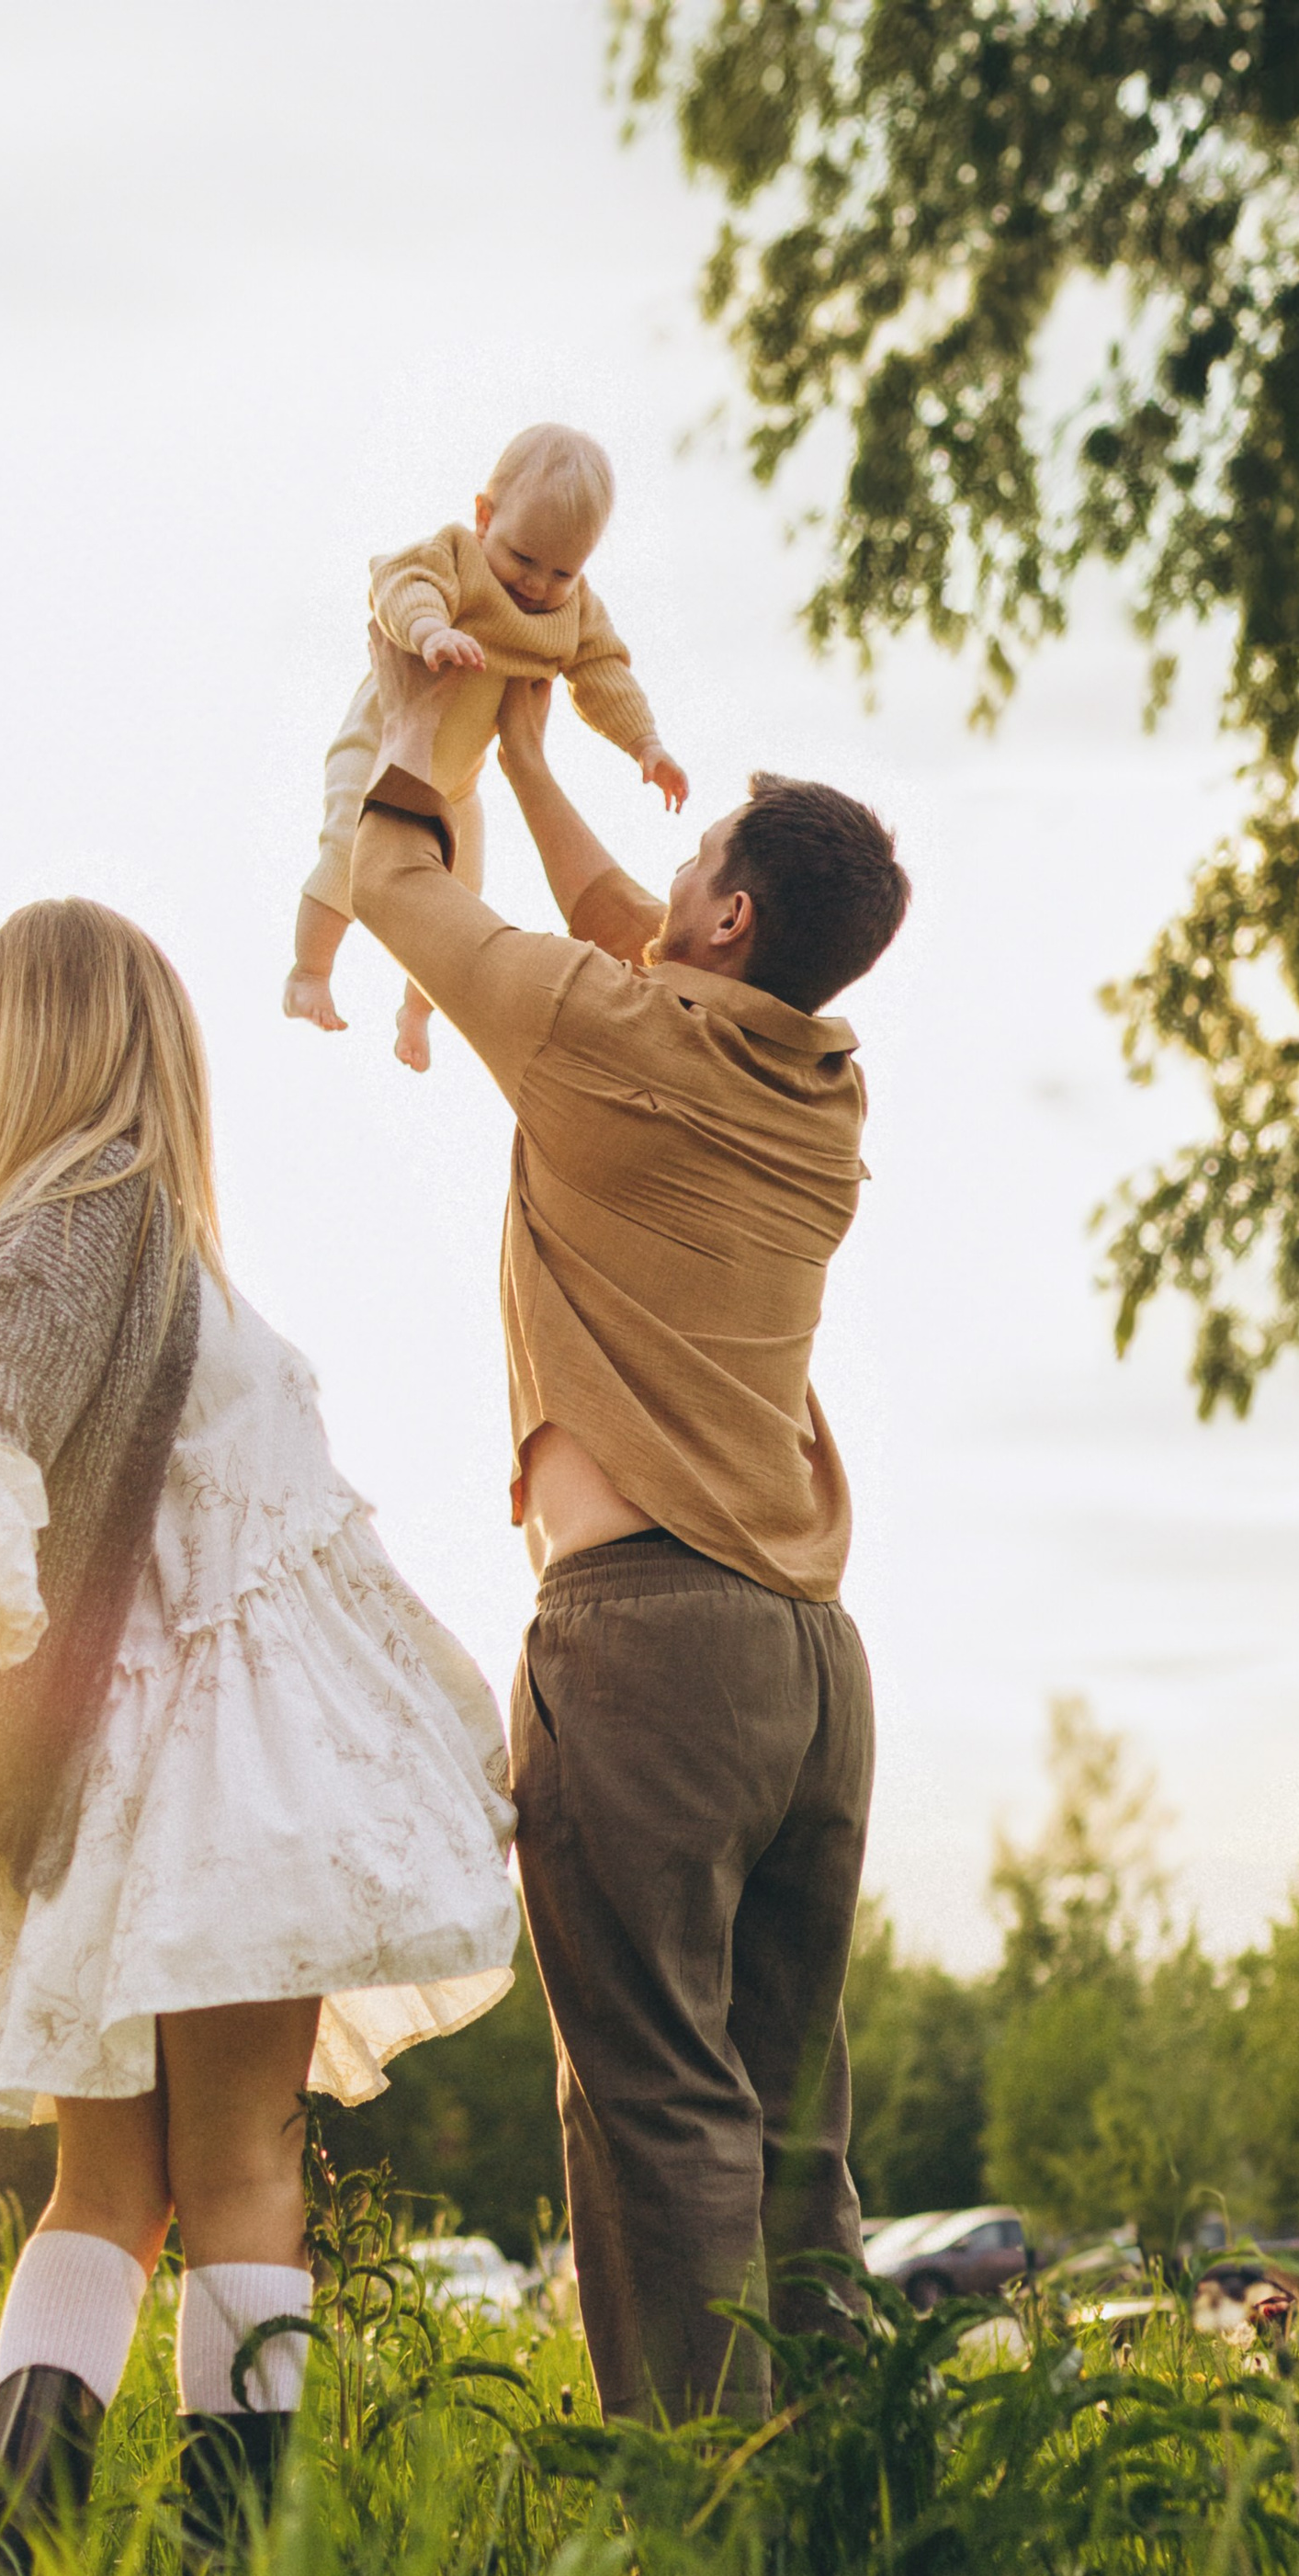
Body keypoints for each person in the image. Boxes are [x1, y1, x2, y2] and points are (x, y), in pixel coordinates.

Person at [0, 898, 517, 2576]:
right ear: (145, 1051)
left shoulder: (103, 1239)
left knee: (113, 2195)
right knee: (243, 2174)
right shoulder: (105, 1219)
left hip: (137, 1793)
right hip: (230, 1795)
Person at [351, 644, 910, 2426]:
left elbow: (384, 880)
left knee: (657, 2116)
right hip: (812, 1669)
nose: (653, 893)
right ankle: (856, 2528)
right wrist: (528, 756)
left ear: (729, 918)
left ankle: (713, 2568)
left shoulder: (611, 1045)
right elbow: (620, 922)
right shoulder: (817, 1088)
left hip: (646, 1642)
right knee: (787, 2129)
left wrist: (416, 699)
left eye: (692, 873)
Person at [283, 422, 688, 1071]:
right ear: (484, 517)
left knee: (458, 897)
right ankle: (310, 971)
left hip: (459, 782)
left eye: (562, 570)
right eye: (523, 558)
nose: (536, 584)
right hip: (379, 742)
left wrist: (645, 744)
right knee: (348, 857)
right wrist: (429, 629)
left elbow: (604, 670)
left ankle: (417, 1011)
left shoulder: (574, 609)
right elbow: (401, 584)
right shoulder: (455, 557)